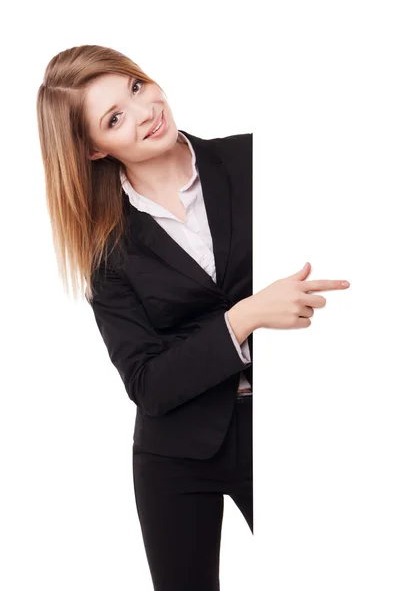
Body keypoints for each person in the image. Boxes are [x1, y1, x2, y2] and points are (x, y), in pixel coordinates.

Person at [36, 44, 350, 591]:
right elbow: (149, 384)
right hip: (175, 457)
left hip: (293, 430)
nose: (144, 112)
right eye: (114, 118)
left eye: (135, 88)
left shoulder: (256, 160)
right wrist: (245, 317)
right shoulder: (104, 249)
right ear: (92, 151)